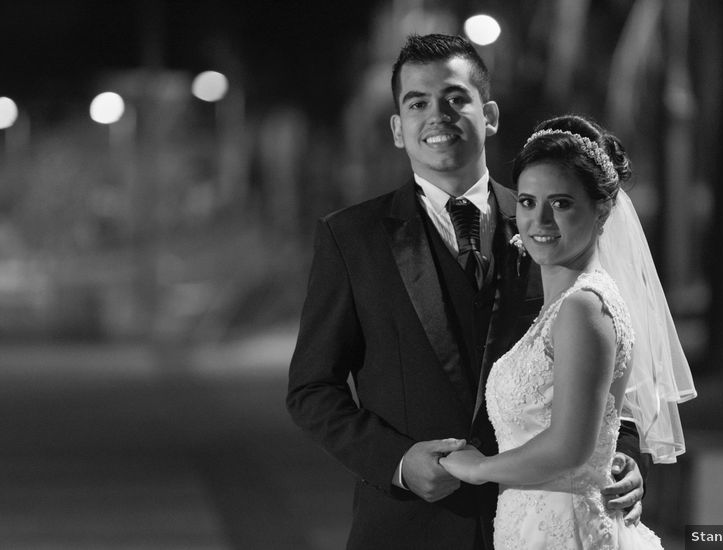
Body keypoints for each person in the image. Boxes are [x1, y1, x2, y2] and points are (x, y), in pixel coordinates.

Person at [286, 35, 647, 550]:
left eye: (456, 99)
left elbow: (611, 365)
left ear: (490, 114)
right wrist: (398, 463)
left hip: (542, 523)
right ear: (397, 128)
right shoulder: (351, 240)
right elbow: (311, 389)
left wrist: (625, 452)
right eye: (417, 103)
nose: (438, 116)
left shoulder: (552, 223)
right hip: (407, 527)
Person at [439, 114, 697, 549]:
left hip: (566, 530)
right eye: (526, 202)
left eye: (560, 204)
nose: (539, 220)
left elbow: (571, 447)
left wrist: (476, 468)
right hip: (525, 525)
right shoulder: (564, 300)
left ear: (602, 211)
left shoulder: (585, 307)